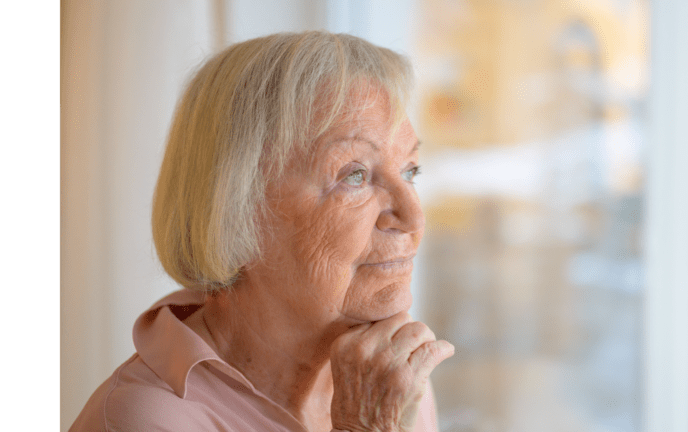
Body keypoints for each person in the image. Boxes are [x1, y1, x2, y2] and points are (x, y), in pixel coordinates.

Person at [70, 31, 454, 432]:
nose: (413, 217)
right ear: (235, 209)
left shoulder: (385, 382)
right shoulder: (147, 419)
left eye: (411, 171)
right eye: (353, 175)